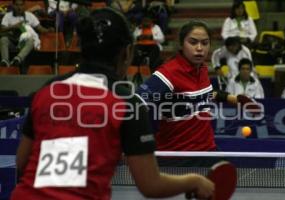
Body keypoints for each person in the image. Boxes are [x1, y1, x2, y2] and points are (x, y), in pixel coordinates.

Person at [10, 8, 214, 200]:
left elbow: (22, 162)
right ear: (127, 53)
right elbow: (150, 185)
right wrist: (194, 181)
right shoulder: (126, 103)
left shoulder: (48, 89)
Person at [137, 20, 249, 152]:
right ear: (181, 44)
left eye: (205, 43)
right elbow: (137, 102)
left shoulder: (202, 69)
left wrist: (231, 98)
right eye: (193, 42)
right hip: (177, 158)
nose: (200, 48)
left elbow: (202, 95)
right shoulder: (169, 73)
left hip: (207, 151)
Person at [0, 0, 53, 67]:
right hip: (12, 42)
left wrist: (48, 30)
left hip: (23, 43)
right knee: (3, 39)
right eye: (17, 5)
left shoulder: (30, 16)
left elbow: (40, 28)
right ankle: (5, 61)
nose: (19, 7)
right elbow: (2, 29)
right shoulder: (8, 16)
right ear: (13, 6)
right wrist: (14, 27)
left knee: (31, 40)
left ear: (24, 6)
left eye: (21, 5)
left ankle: (17, 59)